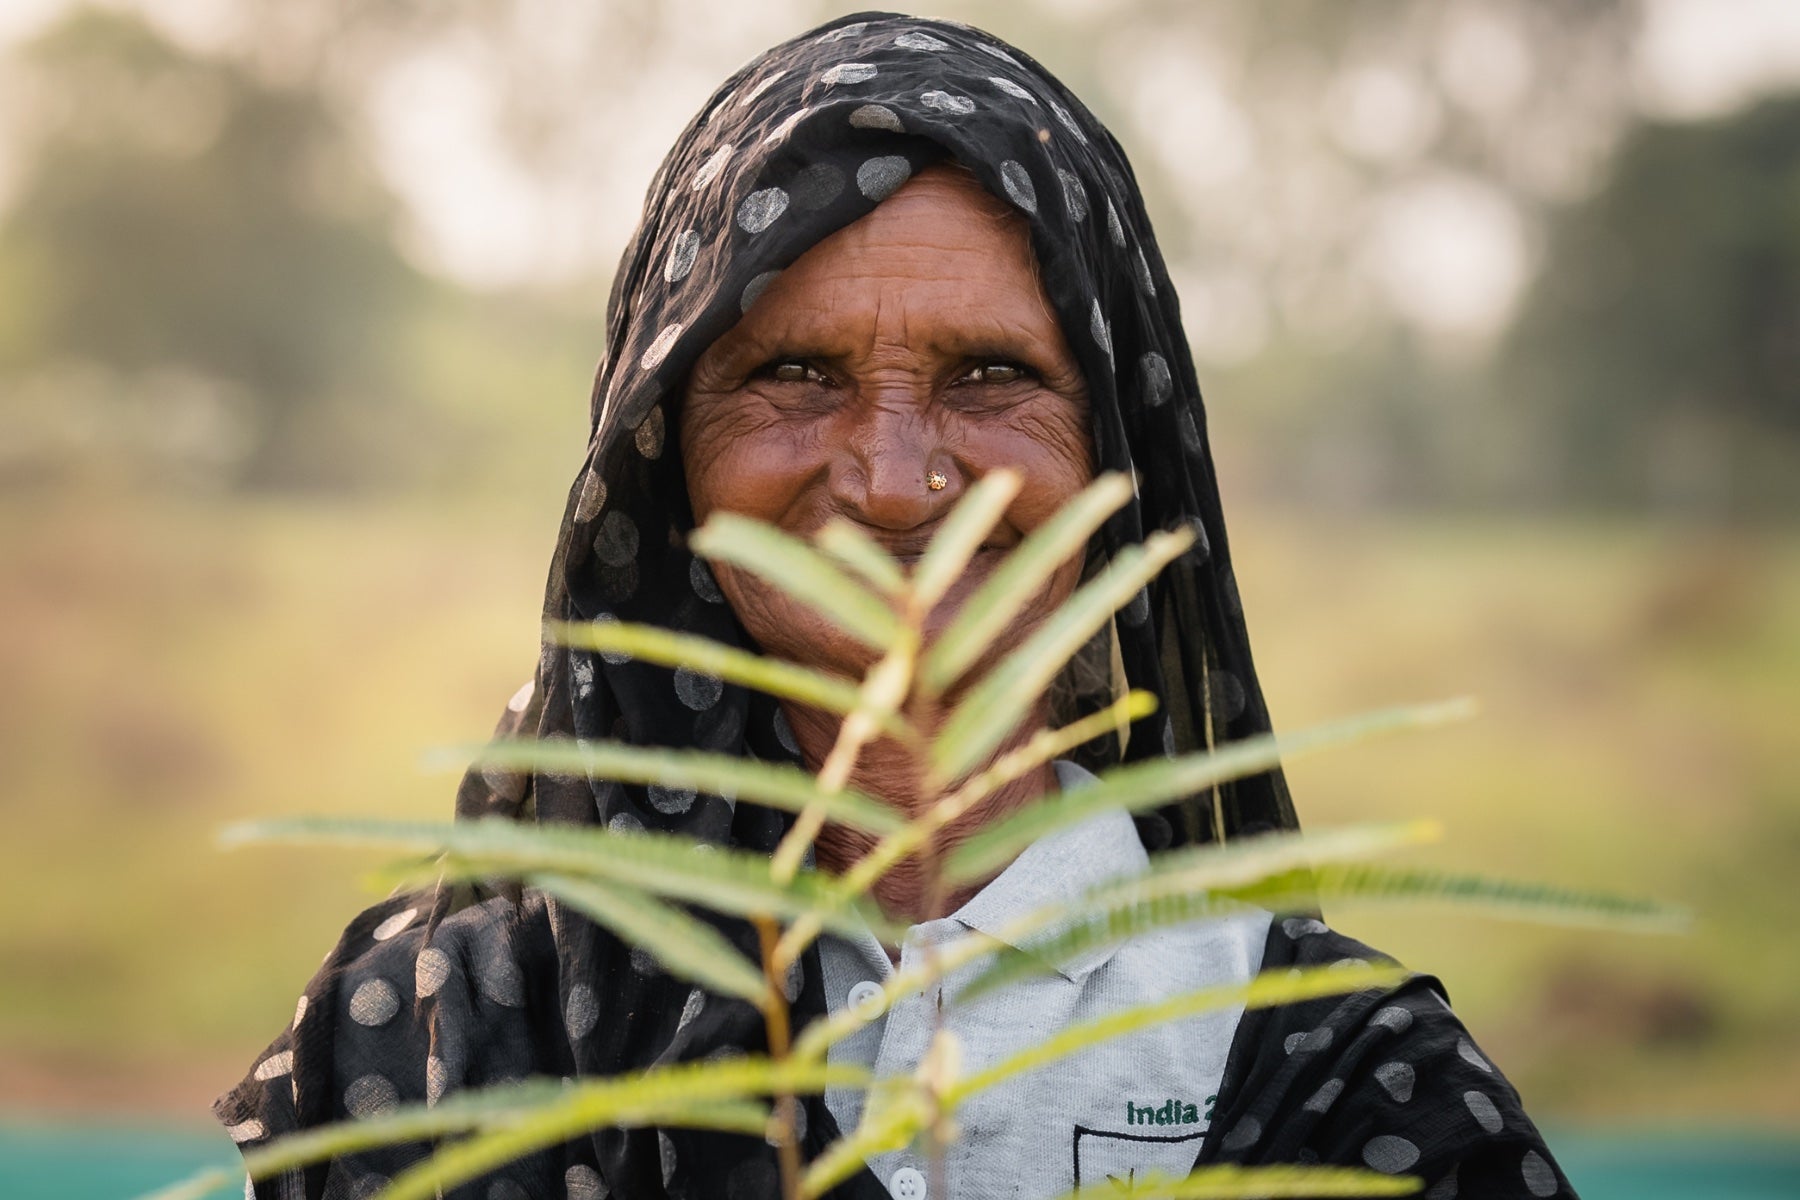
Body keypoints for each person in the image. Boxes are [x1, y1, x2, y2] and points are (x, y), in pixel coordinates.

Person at [215, 13, 1577, 1199]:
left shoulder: (1350, 1086)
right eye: (797, 373)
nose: (895, 478)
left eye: (991, 375)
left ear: (1115, 453)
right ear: (662, 453)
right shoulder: (441, 1046)